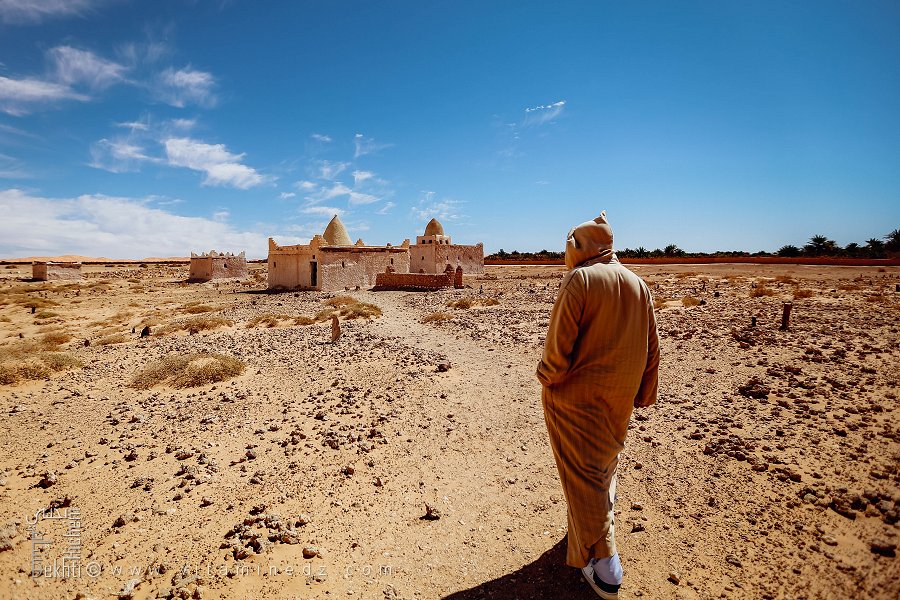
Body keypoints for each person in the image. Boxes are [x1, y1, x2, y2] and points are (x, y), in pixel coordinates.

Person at [536, 211, 659, 599]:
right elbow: (652, 346)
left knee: (581, 473)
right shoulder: (638, 283)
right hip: (619, 394)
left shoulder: (580, 279)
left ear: (580, 247)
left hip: (575, 399)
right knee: (604, 463)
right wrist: (644, 391)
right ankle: (586, 529)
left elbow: (559, 346)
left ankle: (604, 564)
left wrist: (547, 377)